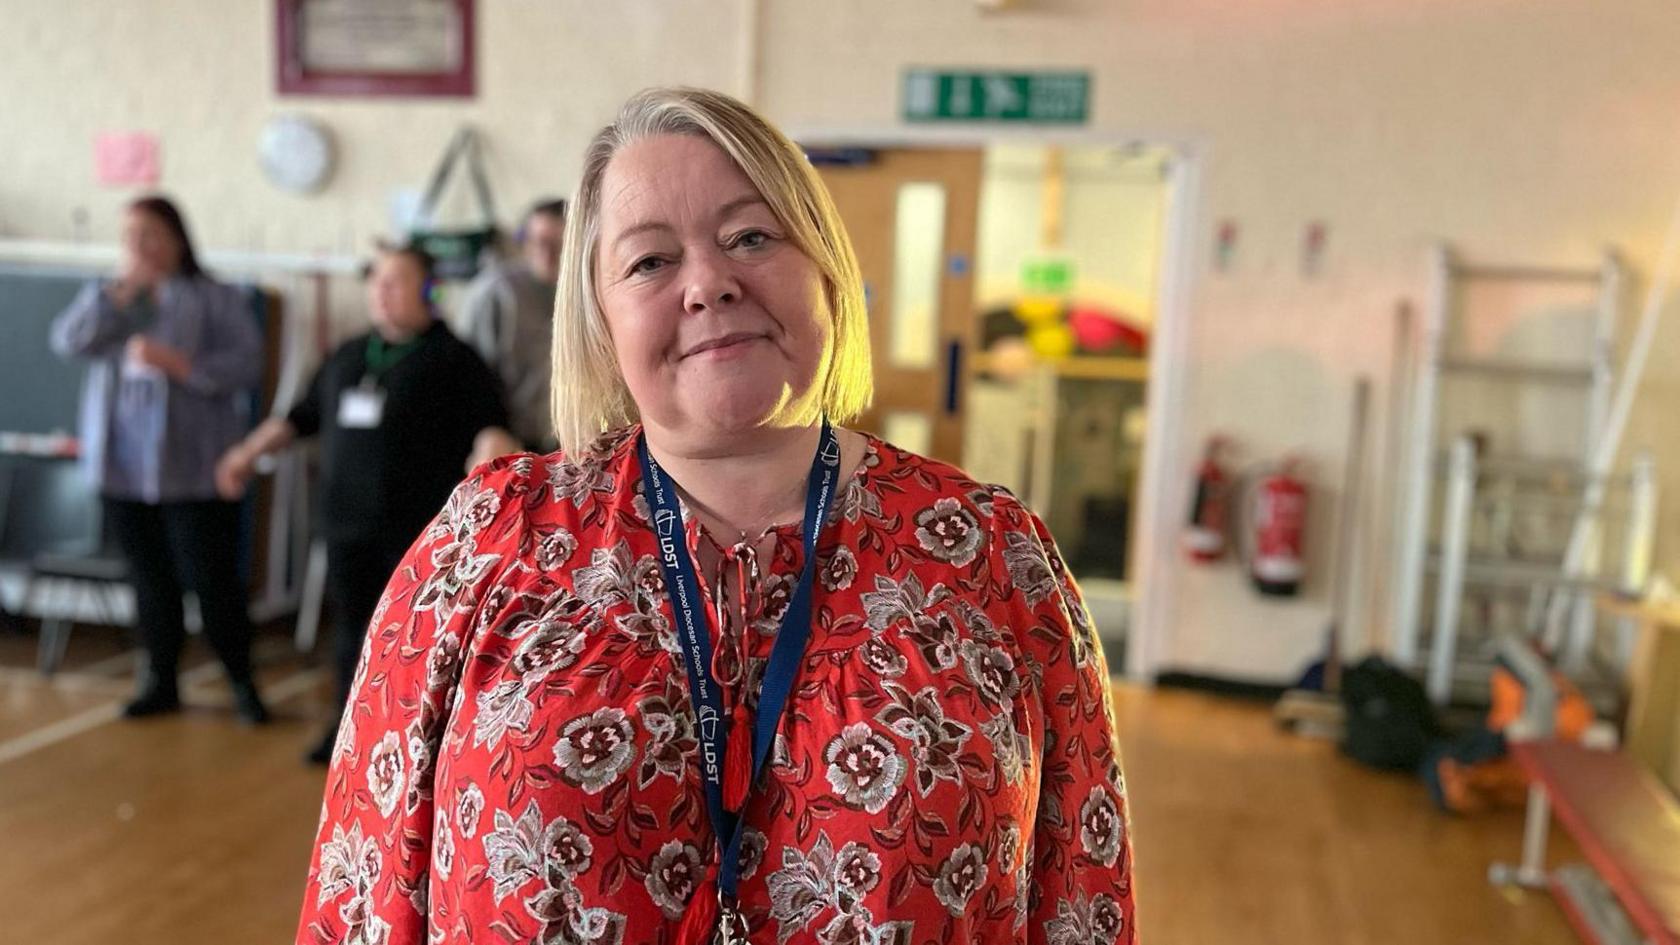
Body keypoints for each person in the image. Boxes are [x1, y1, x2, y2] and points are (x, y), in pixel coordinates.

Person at [295, 88, 1136, 944]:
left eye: (751, 237)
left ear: (825, 269)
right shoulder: (491, 541)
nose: (709, 284)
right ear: (600, 317)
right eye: (650, 262)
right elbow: (362, 883)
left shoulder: (992, 556)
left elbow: (1083, 894)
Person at [217, 243, 513, 763]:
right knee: (352, 632)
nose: (382, 292)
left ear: (428, 290)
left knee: (421, 637)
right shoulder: (349, 354)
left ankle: (421, 740)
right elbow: (297, 418)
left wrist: (489, 468)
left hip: (419, 531)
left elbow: (493, 429)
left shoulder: (455, 359)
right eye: (376, 281)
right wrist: (244, 455)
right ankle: (347, 730)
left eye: (396, 281)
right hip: (346, 523)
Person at [51, 195, 269, 724]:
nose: (139, 247)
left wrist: (179, 364)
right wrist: (118, 297)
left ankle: (242, 681)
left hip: (193, 468)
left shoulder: (215, 297)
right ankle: (160, 678)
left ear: (176, 238)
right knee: (149, 581)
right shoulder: (112, 298)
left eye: (149, 234)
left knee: (211, 580)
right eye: (129, 237)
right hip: (123, 468)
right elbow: (68, 340)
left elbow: (247, 364)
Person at [460, 198, 567, 451]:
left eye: (558, 244)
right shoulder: (496, 294)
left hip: (571, 443)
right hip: (508, 443)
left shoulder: (589, 292)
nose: (547, 254)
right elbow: (468, 377)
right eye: (538, 242)